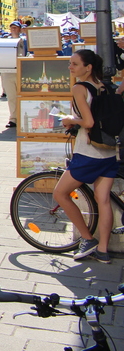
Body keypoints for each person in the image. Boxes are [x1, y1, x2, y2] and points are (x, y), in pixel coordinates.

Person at [56, 50, 119, 263]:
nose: (70, 67)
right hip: (108, 151)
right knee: (103, 201)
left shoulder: (79, 88)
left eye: (74, 64)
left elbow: (89, 122)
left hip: (88, 152)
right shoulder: (104, 85)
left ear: (87, 67)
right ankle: (103, 250)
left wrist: (70, 119)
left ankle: (87, 238)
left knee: (60, 194)